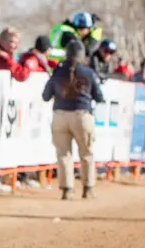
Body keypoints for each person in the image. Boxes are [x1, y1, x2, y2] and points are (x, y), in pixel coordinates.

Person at [42, 39, 104, 200]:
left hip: (60, 116)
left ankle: (67, 190)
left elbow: (45, 96)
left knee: (63, 154)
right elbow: (99, 96)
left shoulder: (58, 71)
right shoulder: (88, 72)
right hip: (82, 115)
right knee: (86, 153)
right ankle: (88, 188)